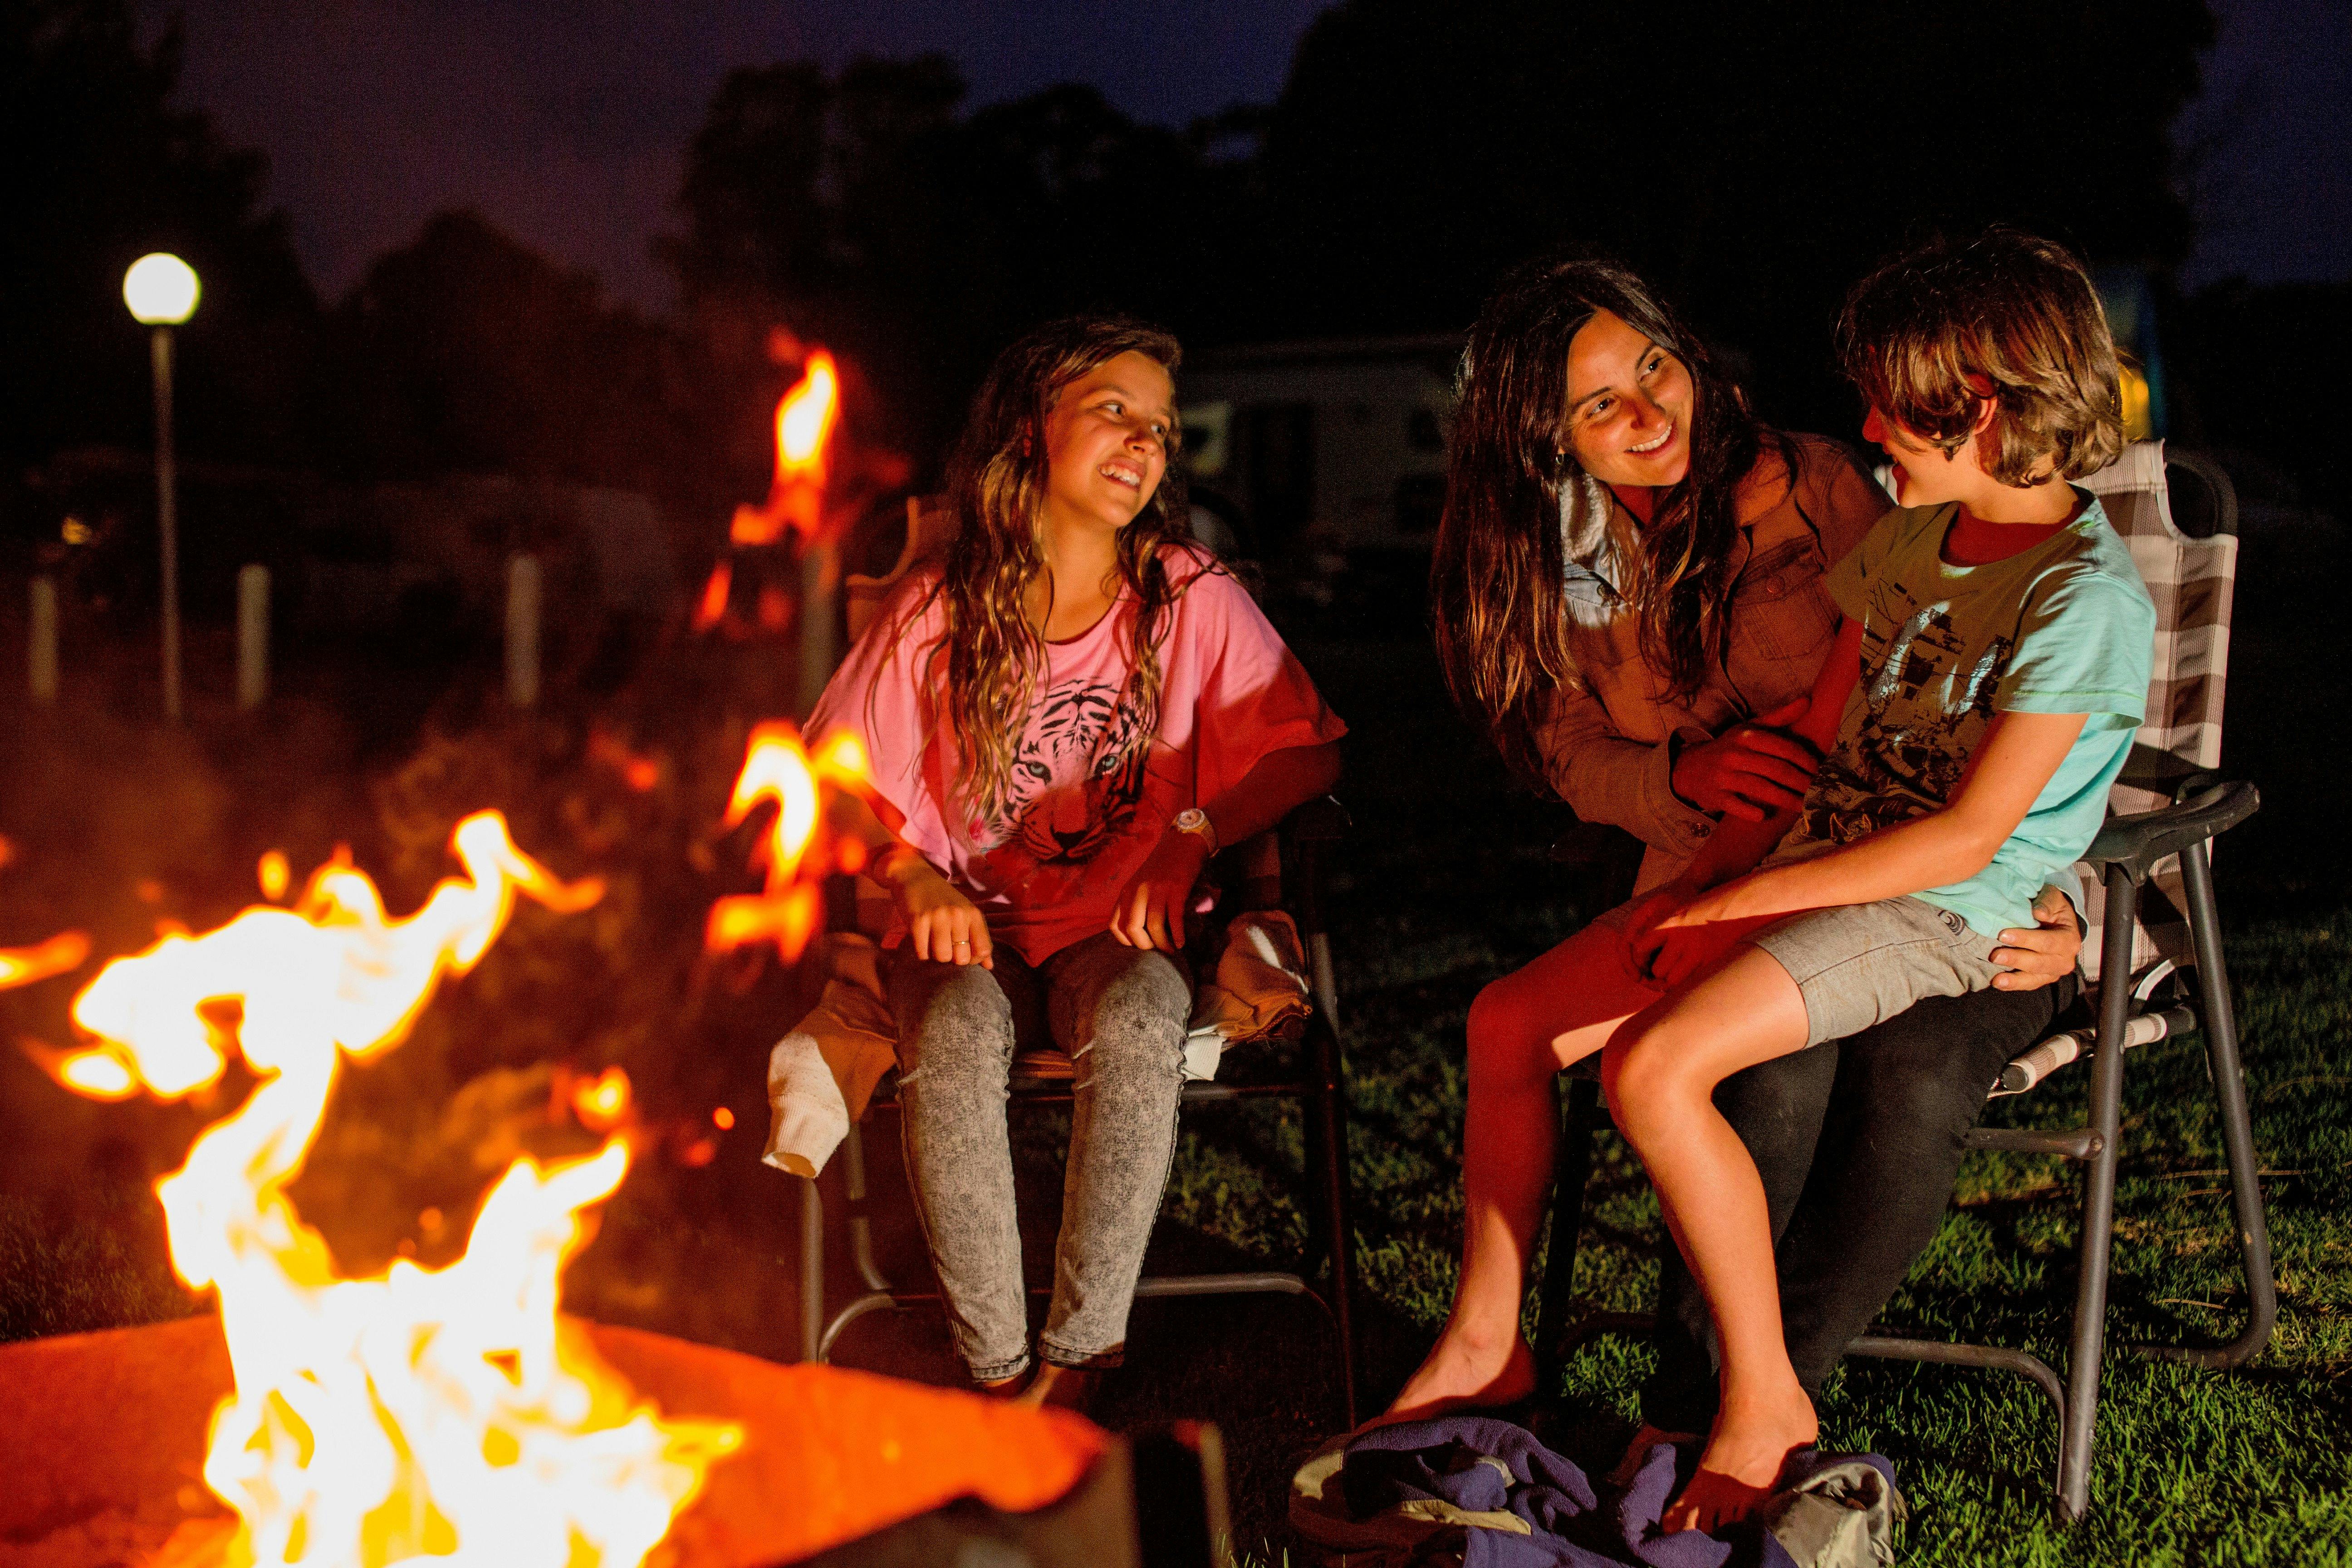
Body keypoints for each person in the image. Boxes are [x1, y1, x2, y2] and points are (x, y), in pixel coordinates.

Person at [1401, 237, 2148, 1528]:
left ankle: (1747, 1400)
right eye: (1598, 405)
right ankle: (1493, 1343)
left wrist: (2064, 903)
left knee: (1711, 1068)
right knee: (1510, 1020)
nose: (1650, 412)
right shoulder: (1892, 535)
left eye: (1654, 369)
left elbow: (1981, 822)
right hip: (1777, 856)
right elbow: (1805, 732)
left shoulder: (1865, 505)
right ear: (1544, 442)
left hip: (1915, 898)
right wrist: (1697, 855)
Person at [807, 316, 1346, 1410]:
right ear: (1029, 429)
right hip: (969, 935)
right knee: (955, 1027)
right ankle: (996, 1367)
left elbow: (1310, 749)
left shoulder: (1189, 595)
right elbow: (823, 780)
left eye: (1162, 427)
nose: (1147, 441)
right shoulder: (940, 604)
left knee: (1144, 1014)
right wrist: (911, 876)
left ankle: (1077, 1363)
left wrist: (1192, 835)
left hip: (1119, 939)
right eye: (1114, 411)